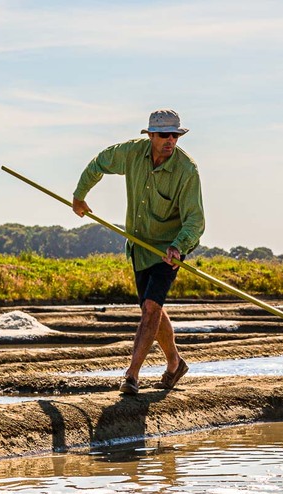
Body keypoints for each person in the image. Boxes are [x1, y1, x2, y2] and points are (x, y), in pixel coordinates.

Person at [72, 109, 205, 395]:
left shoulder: (187, 170)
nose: (170, 140)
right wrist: (80, 196)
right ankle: (175, 363)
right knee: (151, 307)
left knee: (150, 308)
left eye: (175, 135)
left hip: (169, 249)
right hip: (138, 246)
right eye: (164, 135)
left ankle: (131, 375)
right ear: (151, 136)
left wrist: (178, 246)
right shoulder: (131, 153)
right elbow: (99, 163)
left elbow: (195, 219)